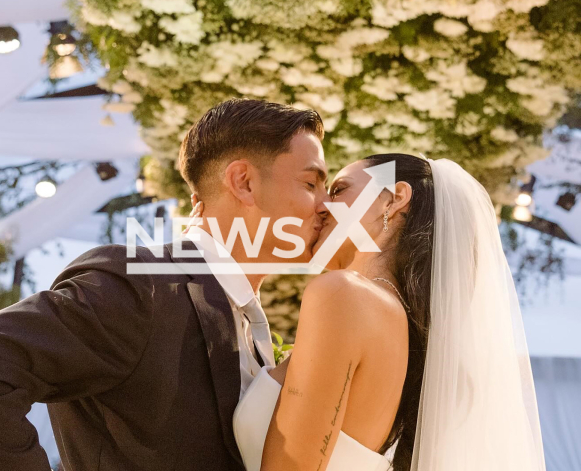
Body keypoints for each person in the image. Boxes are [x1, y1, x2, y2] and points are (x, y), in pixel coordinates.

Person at [0, 98, 329, 470]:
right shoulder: (143, 285)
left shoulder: (245, 318)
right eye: (311, 184)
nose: (326, 205)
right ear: (243, 182)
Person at [230, 154, 547, 471]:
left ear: (393, 200)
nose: (321, 204)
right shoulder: (403, 327)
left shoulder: (344, 295)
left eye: (339, 189)